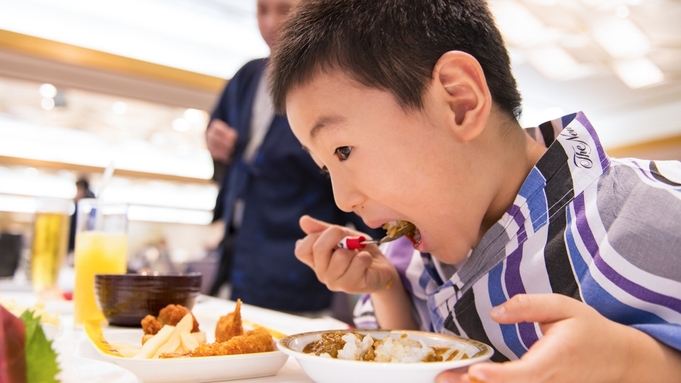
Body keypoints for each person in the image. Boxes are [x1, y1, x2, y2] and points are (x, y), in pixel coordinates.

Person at [268, 0, 681, 381]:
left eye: (343, 149)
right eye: (325, 167)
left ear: (459, 101)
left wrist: (630, 360)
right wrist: (386, 288)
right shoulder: (405, 260)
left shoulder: (652, 212)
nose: (343, 200)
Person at [205, 0, 382, 314]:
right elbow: (227, 172)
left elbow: (354, 172)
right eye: (262, 10)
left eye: (284, 9)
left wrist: (384, 243)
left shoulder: (332, 84)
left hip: (294, 268)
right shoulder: (246, 77)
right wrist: (216, 146)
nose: (272, 23)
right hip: (236, 257)